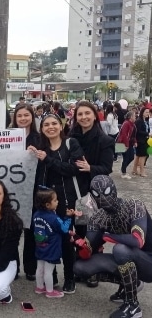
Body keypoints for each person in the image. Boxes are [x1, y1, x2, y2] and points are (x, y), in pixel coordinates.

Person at [74, 175, 152, 318]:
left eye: (107, 191)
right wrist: (76, 242)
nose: (103, 197)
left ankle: (133, 306)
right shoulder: (98, 217)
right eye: (97, 194)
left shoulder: (134, 206)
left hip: (149, 261)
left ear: (114, 190)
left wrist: (107, 236)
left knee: (120, 250)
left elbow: (138, 240)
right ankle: (131, 285)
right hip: (129, 259)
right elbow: (88, 250)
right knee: (80, 267)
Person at [29, 113, 85, 294]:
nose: (51, 127)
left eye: (54, 123)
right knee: (45, 240)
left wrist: (48, 159)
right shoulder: (40, 147)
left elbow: (73, 169)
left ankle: (69, 278)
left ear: (61, 127)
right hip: (45, 203)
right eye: (46, 125)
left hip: (66, 201)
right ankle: (50, 278)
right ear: (42, 129)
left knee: (66, 240)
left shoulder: (71, 144)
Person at [68, 101, 114, 288]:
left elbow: (107, 168)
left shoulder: (105, 140)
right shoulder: (70, 137)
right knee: (75, 232)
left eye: (88, 113)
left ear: (95, 115)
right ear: (75, 117)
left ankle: (93, 271)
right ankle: (78, 269)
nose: (84, 117)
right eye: (80, 114)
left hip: (92, 194)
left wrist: (89, 168)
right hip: (72, 191)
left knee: (92, 233)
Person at [11, 104, 41, 281]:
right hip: (12, 188)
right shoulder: (7, 137)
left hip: (33, 188)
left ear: (32, 117)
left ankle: (31, 267)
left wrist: (35, 154)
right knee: (12, 229)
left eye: (26, 115)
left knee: (30, 230)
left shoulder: (39, 137)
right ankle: (12, 266)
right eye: (19, 115)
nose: (22, 118)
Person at [32, 188, 76, 299]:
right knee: (48, 271)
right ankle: (50, 291)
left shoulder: (36, 215)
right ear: (47, 204)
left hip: (40, 246)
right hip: (52, 248)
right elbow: (64, 229)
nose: (58, 202)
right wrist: (68, 217)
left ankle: (39, 287)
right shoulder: (54, 218)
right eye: (55, 200)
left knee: (39, 268)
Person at [117, 111, 137, 179]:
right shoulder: (126, 123)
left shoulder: (132, 124)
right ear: (130, 117)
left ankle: (123, 168)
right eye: (134, 116)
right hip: (123, 143)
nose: (135, 117)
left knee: (131, 157)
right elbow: (124, 135)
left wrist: (135, 142)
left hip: (129, 143)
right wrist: (126, 145)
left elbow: (133, 135)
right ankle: (123, 172)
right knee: (126, 158)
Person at [132, 107, 150, 177]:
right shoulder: (139, 121)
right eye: (146, 112)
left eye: (148, 112)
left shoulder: (145, 120)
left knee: (138, 155)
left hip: (145, 140)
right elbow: (138, 131)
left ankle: (134, 169)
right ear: (142, 112)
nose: (147, 113)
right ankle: (142, 172)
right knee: (142, 156)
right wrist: (147, 134)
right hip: (140, 140)